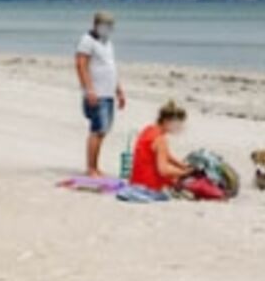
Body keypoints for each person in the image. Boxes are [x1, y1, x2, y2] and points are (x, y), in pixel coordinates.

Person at [74, 11, 126, 177]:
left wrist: (119, 91)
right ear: (96, 25)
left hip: (108, 92)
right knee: (97, 130)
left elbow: (111, 68)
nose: (108, 29)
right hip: (97, 93)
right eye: (105, 25)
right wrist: (89, 89)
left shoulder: (107, 43)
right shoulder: (87, 41)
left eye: (110, 26)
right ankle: (91, 167)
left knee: (103, 131)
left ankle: (95, 166)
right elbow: (81, 65)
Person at [129, 101, 194, 191]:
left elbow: (165, 154)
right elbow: (163, 170)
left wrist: (181, 165)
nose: (179, 128)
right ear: (166, 121)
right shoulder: (160, 139)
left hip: (135, 183)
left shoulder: (149, 129)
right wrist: (184, 173)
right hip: (149, 188)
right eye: (178, 124)